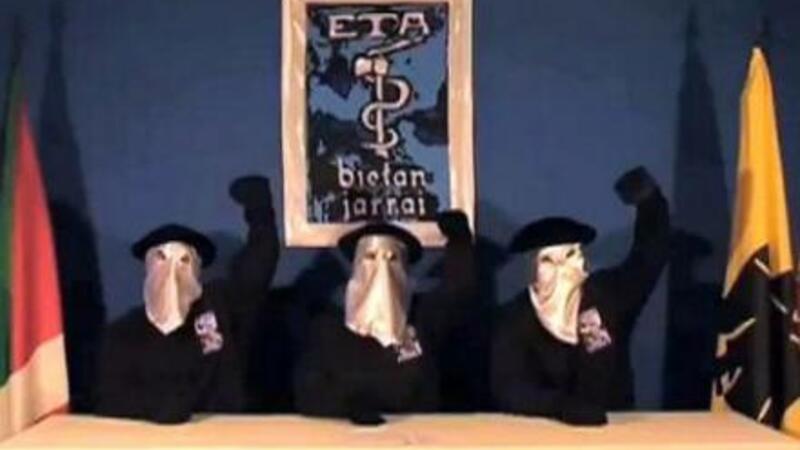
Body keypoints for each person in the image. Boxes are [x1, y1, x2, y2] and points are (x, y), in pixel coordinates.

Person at [491, 166, 670, 426]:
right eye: (548, 260)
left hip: (616, 431)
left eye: (570, 255)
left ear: (582, 261)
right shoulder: (515, 319)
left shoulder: (606, 296)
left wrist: (651, 204)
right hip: (545, 436)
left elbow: (647, 261)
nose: (562, 269)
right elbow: (509, 388)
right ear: (531, 270)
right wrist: (561, 406)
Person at [94, 176, 279, 423]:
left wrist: (259, 208)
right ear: (148, 268)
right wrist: (155, 407)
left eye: (184, 260)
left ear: (197, 269)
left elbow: (257, 268)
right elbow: (109, 399)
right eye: (161, 258)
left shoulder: (221, 307)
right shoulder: (123, 335)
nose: (173, 272)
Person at [294, 211, 476, 425]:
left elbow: (456, 292)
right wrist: (347, 404)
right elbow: (308, 394)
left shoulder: (419, 329)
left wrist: (460, 245)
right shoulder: (327, 333)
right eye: (370, 257)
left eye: (392, 259)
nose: (382, 269)